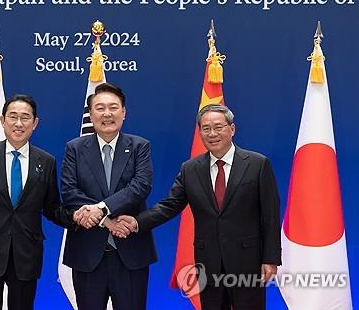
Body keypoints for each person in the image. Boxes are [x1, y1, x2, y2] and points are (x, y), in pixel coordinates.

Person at [117, 104, 281, 310]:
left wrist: (271, 258)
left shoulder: (257, 164)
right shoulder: (190, 169)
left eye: (218, 127)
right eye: (206, 128)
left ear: (232, 129)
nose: (212, 134)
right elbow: (170, 205)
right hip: (208, 262)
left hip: (248, 262)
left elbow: (270, 216)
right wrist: (137, 222)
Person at [0, 94, 75, 310]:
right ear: (2, 121)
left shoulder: (46, 161)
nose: (18, 123)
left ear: (35, 123)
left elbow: (52, 207)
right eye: (13, 117)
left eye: (25, 117)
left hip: (26, 253)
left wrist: (77, 217)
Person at [61, 83, 157, 310]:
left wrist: (102, 208)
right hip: (87, 255)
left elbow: (140, 186)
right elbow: (70, 192)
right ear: (91, 113)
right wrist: (107, 222)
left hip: (131, 253)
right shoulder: (74, 148)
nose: (107, 114)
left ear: (123, 112)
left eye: (113, 107)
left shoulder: (139, 146)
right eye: (100, 108)